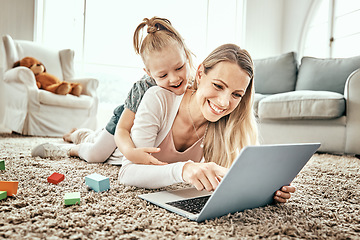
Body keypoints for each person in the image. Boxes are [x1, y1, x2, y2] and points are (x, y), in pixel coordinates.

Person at [116, 43, 295, 203]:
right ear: (200, 73)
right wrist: (184, 169)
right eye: (218, 86)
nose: (224, 103)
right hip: (115, 148)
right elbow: (127, 173)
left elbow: (234, 175)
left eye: (236, 94)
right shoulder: (158, 98)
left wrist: (267, 188)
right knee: (95, 150)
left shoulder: (226, 126)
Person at [32, 16, 194, 165]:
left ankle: (84, 134)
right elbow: (122, 129)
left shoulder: (194, 85)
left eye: (179, 68)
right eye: (163, 75)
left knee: (104, 145)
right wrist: (130, 152)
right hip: (122, 122)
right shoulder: (143, 88)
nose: (174, 79)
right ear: (149, 73)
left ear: (186, 57)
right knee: (97, 155)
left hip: (149, 129)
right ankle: (73, 146)